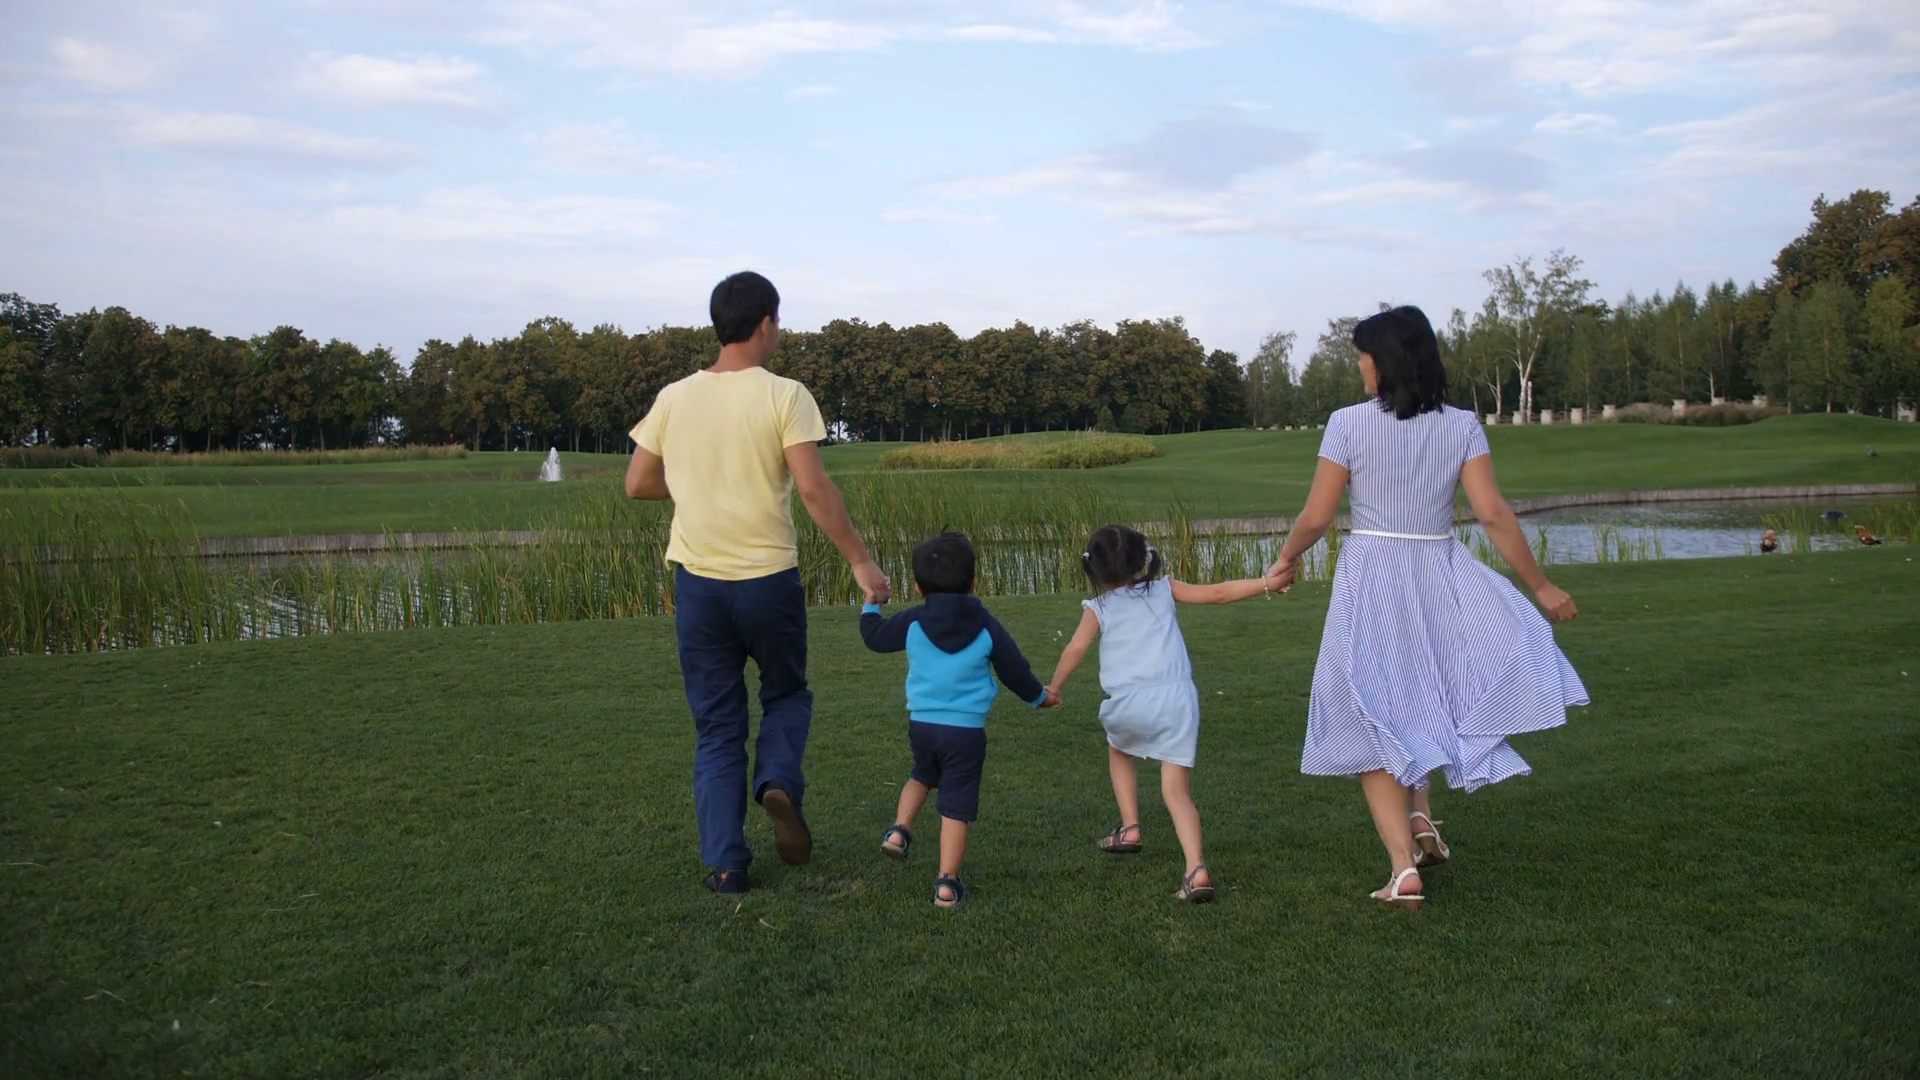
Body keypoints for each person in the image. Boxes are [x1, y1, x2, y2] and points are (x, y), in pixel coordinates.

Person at [1267, 305, 1586, 912]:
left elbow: (1317, 515)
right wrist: (1541, 587)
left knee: (1367, 714)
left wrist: (1285, 558)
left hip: (1373, 575)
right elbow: (1493, 514)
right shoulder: (1461, 425)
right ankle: (1421, 819)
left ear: (1383, 361)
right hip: (1439, 571)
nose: (1360, 366)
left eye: (1363, 356)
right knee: (1421, 696)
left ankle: (1401, 870)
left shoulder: (1348, 424)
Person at [626, 271, 890, 895]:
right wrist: (862, 562)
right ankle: (777, 781)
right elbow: (813, 487)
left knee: (718, 726)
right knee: (786, 694)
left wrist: (697, 487)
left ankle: (727, 865)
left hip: (699, 587)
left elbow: (638, 483)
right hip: (769, 581)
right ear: (766, 324)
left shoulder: (674, 396)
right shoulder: (785, 394)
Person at [1044, 524, 1287, 903]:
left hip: (1127, 704)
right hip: (1177, 702)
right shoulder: (1164, 589)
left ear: (1094, 568)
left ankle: (1130, 826)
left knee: (1119, 749)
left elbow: (1075, 649)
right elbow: (1219, 593)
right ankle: (1196, 869)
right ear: (1143, 558)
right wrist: (1267, 583)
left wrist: (1055, 687)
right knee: (1177, 792)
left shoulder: (1099, 608)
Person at [861, 531, 1058, 908]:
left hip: (922, 725)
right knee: (956, 803)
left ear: (918, 588)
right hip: (965, 733)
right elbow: (1015, 672)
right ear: (974, 583)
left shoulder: (913, 621)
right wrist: (1040, 698)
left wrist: (872, 603)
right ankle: (947, 884)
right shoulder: (986, 625)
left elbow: (874, 637)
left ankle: (900, 831)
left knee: (921, 775)